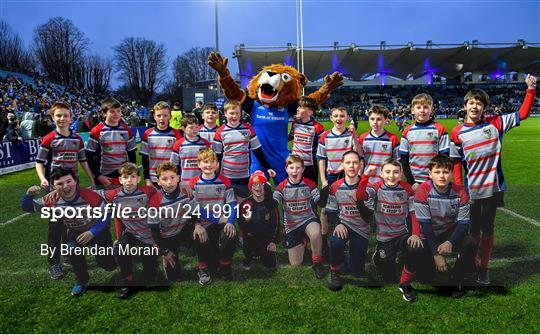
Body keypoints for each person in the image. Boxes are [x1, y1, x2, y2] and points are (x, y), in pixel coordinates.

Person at [450, 74, 537, 285]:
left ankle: (483, 268)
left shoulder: (496, 123)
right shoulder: (457, 133)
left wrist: (531, 89)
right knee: (472, 229)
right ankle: (470, 262)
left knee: (487, 229)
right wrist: (460, 188)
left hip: (494, 187)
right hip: (471, 189)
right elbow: (456, 163)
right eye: (471, 103)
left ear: (484, 108)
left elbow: (523, 114)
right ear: (465, 105)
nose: (475, 107)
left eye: (479, 104)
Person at [21, 168, 116, 296]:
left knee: (108, 265)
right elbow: (27, 207)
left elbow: (106, 214)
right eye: (60, 183)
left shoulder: (88, 194)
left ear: (75, 181)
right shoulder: (52, 198)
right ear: (53, 186)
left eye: (69, 181)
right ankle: (82, 280)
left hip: (98, 231)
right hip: (76, 232)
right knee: (71, 249)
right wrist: (29, 195)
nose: (65, 186)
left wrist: (92, 232)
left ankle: (114, 250)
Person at [35, 102, 96, 279]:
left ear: (71, 117)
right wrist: (43, 178)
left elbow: (83, 161)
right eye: (58, 116)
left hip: (73, 189)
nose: (62, 119)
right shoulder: (49, 138)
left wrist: (91, 179)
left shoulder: (77, 139)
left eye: (65, 115)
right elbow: (39, 162)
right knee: (55, 226)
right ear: (53, 118)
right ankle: (53, 262)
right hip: (55, 189)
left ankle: (69, 254)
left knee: (70, 223)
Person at [356, 159, 422, 300]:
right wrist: (365, 176)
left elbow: (413, 212)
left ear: (401, 174)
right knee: (389, 276)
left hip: (402, 234)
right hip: (384, 237)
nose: (391, 175)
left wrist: (415, 234)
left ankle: (404, 283)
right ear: (381, 174)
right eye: (388, 172)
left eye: (396, 172)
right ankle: (380, 259)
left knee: (415, 249)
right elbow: (360, 196)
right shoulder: (376, 187)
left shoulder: (407, 188)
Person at [413, 155, 476, 299]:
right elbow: (426, 225)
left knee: (470, 243)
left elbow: (463, 223)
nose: (442, 176)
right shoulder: (422, 190)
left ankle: (456, 280)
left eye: (446, 172)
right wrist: (437, 254)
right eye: (437, 172)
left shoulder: (460, 192)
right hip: (429, 234)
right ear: (430, 174)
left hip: (449, 232)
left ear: (452, 174)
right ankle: (430, 270)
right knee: (425, 278)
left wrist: (450, 242)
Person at [101, 163, 159, 299]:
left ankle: (148, 264)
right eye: (125, 177)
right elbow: (90, 194)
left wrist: (157, 241)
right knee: (121, 247)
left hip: (148, 234)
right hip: (131, 233)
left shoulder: (149, 191)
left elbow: (166, 194)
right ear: (120, 180)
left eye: (133, 176)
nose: (129, 180)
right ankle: (128, 280)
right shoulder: (113, 195)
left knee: (150, 277)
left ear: (138, 179)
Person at [317, 106, 362, 260]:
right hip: (331, 177)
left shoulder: (350, 135)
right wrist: (323, 180)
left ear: (347, 117)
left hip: (347, 176)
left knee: (349, 208)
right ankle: (323, 242)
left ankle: (349, 240)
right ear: (331, 118)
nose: (339, 119)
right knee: (324, 211)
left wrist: (355, 135)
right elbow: (322, 159)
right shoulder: (325, 136)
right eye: (335, 116)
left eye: (342, 116)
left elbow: (359, 154)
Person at [189, 148, 238, 284]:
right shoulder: (193, 183)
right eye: (205, 162)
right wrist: (215, 219)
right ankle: (203, 267)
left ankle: (225, 264)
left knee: (230, 232)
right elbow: (196, 208)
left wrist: (230, 221)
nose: (208, 165)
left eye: (212, 162)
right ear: (199, 164)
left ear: (217, 165)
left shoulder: (225, 181)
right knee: (198, 233)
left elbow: (232, 203)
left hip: (221, 222)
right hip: (204, 223)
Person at [273, 155, 327, 279]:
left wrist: (325, 191)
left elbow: (319, 201)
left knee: (315, 232)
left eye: (298, 168)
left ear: (303, 169)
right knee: (296, 264)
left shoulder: (309, 184)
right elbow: (274, 202)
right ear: (286, 169)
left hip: (307, 219)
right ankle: (303, 240)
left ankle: (317, 263)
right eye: (291, 168)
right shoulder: (281, 186)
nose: (294, 171)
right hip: (291, 225)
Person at [213, 100, 276, 204]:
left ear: (241, 113)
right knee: (226, 206)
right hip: (226, 176)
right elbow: (217, 156)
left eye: (237, 113)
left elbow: (258, 151)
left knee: (243, 205)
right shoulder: (220, 132)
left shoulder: (248, 130)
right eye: (231, 113)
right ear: (225, 114)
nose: (234, 116)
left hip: (243, 176)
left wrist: (268, 167)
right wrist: (215, 175)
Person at [326, 151, 371, 291]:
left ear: (360, 165)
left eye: (355, 162)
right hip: (344, 225)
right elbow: (331, 211)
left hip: (361, 228)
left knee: (356, 272)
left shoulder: (368, 188)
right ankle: (334, 271)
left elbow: (368, 217)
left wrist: (359, 200)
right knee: (336, 240)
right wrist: (338, 224)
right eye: (348, 162)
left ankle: (346, 256)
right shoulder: (335, 187)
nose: (352, 166)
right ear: (342, 166)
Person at [147, 162, 197, 282]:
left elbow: (196, 213)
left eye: (172, 177)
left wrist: (197, 226)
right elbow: (154, 231)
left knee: (203, 234)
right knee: (173, 276)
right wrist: (164, 251)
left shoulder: (186, 192)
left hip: (184, 230)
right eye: (164, 179)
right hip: (167, 236)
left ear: (178, 178)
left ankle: (201, 261)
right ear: (158, 181)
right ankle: (166, 259)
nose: (169, 182)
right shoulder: (154, 201)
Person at [400, 93, 450, 189]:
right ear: (412, 110)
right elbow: (404, 159)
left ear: (431, 109)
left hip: (435, 180)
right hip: (415, 181)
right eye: (418, 107)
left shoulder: (440, 129)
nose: (422, 110)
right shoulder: (407, 131)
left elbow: (444, 158)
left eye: (426, 107)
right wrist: (411, 182)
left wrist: (438, 178)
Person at [86, 97, 137, 189]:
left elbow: (132, 154)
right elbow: (89, 156)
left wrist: (131, 174)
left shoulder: (127, 131)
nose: (116, 114)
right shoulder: (97, 131)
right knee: (104, 202)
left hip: (123, 176)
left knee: (124, 202)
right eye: (112, 111)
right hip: (104, 177)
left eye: (118, 111)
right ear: (104, 113)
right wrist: (98, 176)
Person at [237, 171, 279, 270]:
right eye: (254, 184)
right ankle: (248, 255)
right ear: (250, 187)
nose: (258, 187)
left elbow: (276, 224)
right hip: (250, 237)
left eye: (261, 184)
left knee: (270, 264)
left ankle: (262, 252)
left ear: (265, 187)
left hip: (265, 237)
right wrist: (247, 220)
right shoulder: (245, 204)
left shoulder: (270, 204)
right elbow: (241, 224)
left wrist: (273, 241)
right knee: (248, 246)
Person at [140, 101, 183, 188]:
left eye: (165, 115)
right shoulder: (147, 134)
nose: (162, 118)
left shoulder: (177, 134)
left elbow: (180, 159)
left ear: (170, 117)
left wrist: (178, 177)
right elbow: (144, 158)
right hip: (154, 178)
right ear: (154, 117)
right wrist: (147, 179)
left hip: (172, 178)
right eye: (159, 115)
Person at [358, 105, 400, 185]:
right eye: (372, 119)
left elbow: (397, 162)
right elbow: (360, 160)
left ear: (385, 120)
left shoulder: (392, 139)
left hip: (386, 182)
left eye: (379, 119)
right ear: (369, 119)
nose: (375, 122)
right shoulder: (363, 138)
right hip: (367, 181)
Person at [288, 96, 325, 184]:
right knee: (295, 188)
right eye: (298, 106)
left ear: (310, 112)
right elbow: (291, 136)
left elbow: (325, 143)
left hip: (310, 165)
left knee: (311, 190)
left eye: (301, 107)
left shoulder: (317, 127)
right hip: (295, 163)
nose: (297, 109)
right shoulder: (295, 123)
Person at [170, 114, 211, 192]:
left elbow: (210, 162)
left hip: (202, 181)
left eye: (196, 127)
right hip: (185, 182)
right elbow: (174, 165)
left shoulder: (205, 143)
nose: (195, 130)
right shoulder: (178, 144)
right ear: (183, 128)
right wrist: (177, 181)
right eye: (191, 127)